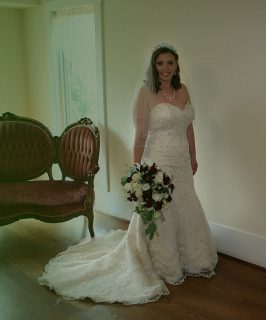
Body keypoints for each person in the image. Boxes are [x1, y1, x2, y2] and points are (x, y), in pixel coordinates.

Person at [38, 43, 218, 305]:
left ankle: (191, 257)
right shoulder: (145, 93)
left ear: (177, 65)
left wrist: (193, 155)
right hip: (157, 162)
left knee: (185, 206)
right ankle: (162, 263)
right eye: (160, 63)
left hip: (181, 162)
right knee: (160, 211)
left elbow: (188, 127)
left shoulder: (183, 91)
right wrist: (138, 172)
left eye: (170, 63)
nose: (165, 68)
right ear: (154, 67)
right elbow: (140, 137)